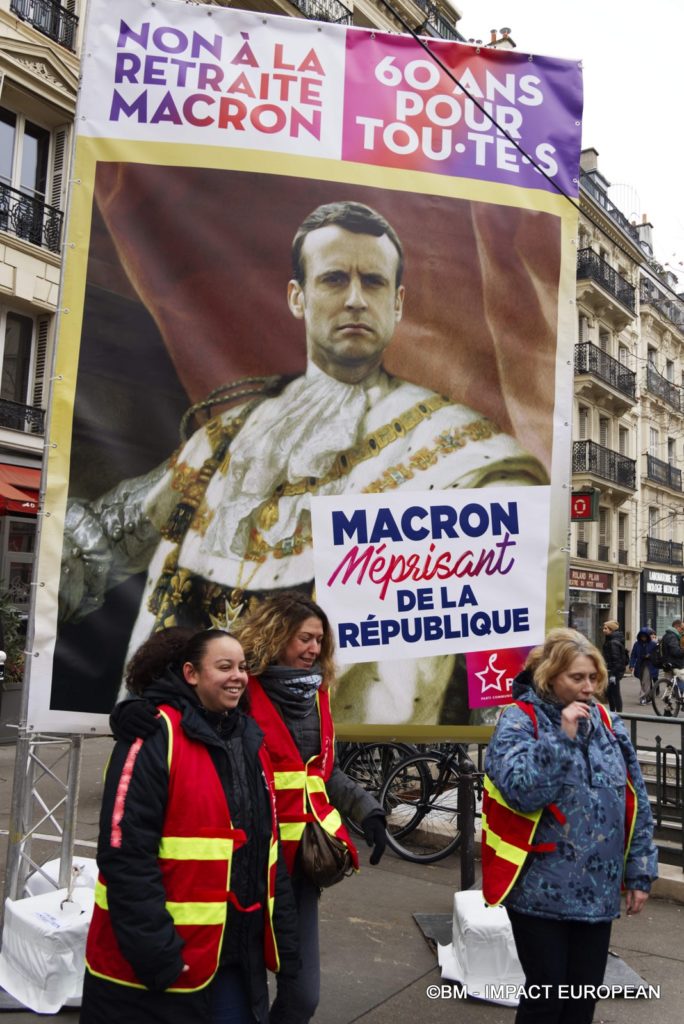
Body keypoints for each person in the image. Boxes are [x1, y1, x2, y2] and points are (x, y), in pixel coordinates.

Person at [59, 201, 547, 726]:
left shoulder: (465, 454)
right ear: (298, 296)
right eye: (335, 279)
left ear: (398, 303)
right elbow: (102, 540)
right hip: (186, 736)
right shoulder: (228, 435)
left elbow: (495, 641)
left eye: (375, 283)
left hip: (341, 753)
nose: (356, 300)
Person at [114, 591, 387, 1024]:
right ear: (277, 635)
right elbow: (180, 702)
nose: (314, 649)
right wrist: (131, 711)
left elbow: (321, 772)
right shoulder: (241, 684)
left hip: (297, 865)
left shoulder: (318, 697)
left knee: (302, 996)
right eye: (304, 638)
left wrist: (367, 810)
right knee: (232, 992)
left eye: (320, 641)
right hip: (241, 864)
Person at [81, 628, 299, 1024]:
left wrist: (289, 958)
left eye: (242, 667)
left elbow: (269, 857)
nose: (238, 675)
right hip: (160, 972)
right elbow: (126, 856)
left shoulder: (249, 741)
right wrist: (159, 958)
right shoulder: (153, 734)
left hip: (234, 961)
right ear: (190, 673)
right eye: (224, 666)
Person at [482, 627, 657, 1024]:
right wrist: (562, 737)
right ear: (550, 676)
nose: (589, 687)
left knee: (581, 1003)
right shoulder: (518, 720)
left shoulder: (609, 724)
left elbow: (635, 801)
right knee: (546, 1001)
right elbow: (522, 791)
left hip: (598, 893)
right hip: (538, 890)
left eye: (594, 677)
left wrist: (640, 872)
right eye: (577, 678)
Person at [628, 626, 659, 705]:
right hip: (640, 665)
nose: (643, 638)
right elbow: (633, 655)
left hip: (649, 665)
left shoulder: (653, 644)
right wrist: (631, 665)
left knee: (645, 681)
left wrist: (650, 656)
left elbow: (656, 655)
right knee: (643, 682)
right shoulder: (637, 644)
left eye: (645, 636)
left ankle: (643, 697)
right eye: (642, 636)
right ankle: (648, 697)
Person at [600, 619, 625, 712]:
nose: (604, 630)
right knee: (610, 693)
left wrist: (613, 674)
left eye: (606, 628)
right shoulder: (610, 640)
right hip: (611, 670)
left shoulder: (612, 642)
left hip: (613, 671)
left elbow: (616, 659)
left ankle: (618, 713)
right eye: (604, 628)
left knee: (615, 693)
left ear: (611, 630)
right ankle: (613, 712)